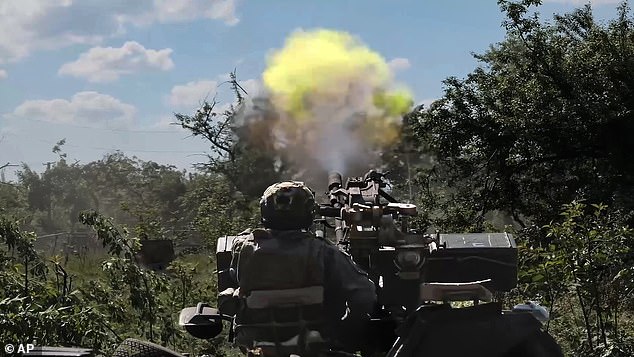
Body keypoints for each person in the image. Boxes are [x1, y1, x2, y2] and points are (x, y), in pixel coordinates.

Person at [218, 181, 377, 354]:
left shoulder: (243, 248)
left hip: (256, 345)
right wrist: (345, 330)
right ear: (308, 212)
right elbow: (364, 295)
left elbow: (234, 284)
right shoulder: (323, 251)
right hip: (314, 344)